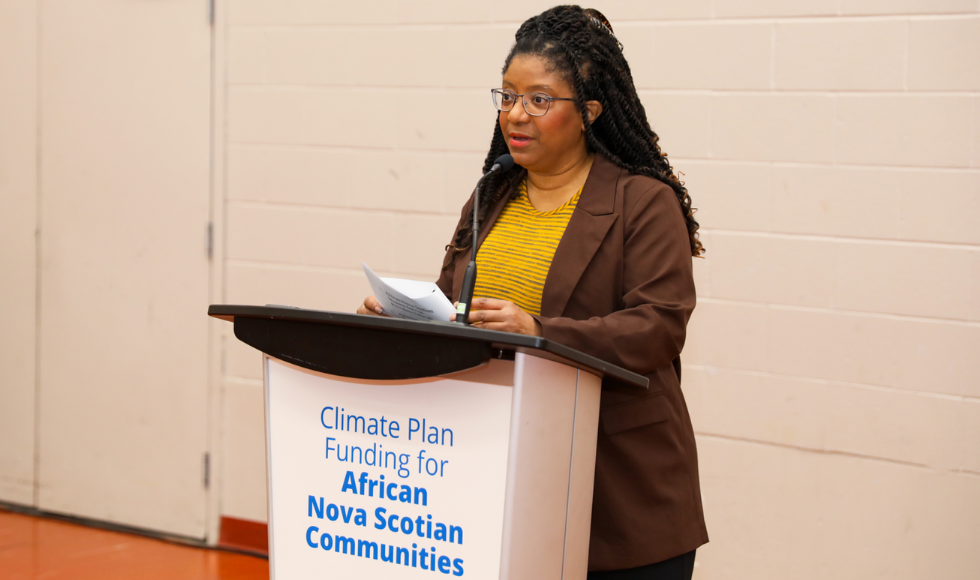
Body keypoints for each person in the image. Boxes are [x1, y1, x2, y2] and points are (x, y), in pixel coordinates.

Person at [359, 6, 706, 579]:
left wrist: (541, 333)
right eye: (508, 96)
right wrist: (402, 316)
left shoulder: (643, 203)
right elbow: (457, 307)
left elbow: (659, 326)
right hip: (499, 479)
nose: (515, 115)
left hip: (617, 493)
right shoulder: (491, 196)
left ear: (589, 113)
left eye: (539, 100)